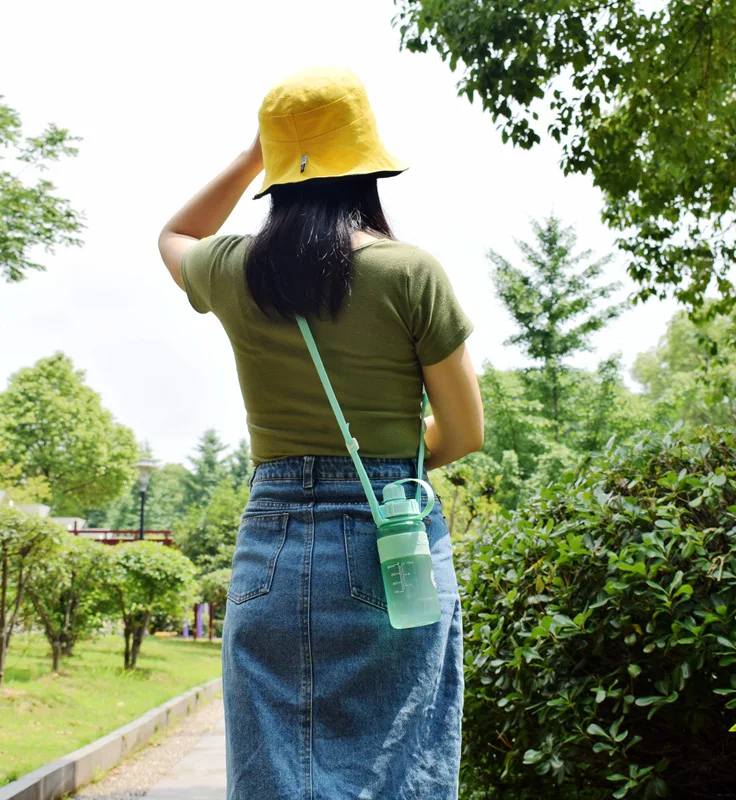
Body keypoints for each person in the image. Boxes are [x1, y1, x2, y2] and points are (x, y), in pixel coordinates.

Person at [157, 66, 484, 800]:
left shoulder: (233, 269)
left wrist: (255, 154)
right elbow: (464, 433)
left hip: (270, 546)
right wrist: (386, 475)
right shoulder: (410, 273)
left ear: (275, 169)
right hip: (388, 542)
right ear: (365, 161)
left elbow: (174, 234)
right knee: (397, 768)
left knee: (275, 772)